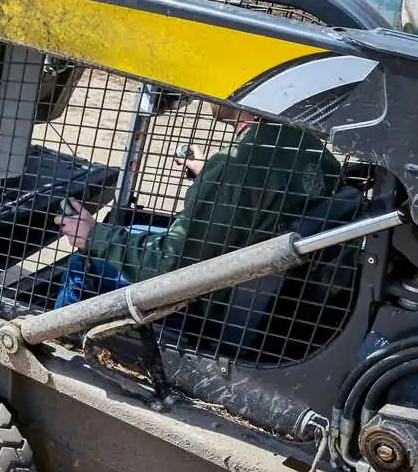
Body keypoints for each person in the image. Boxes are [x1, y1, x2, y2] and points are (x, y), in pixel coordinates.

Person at [52, 104, 342, 315]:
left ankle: (58, 339)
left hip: (215, 299)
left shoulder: (234, 166)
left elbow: (170, 265)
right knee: (133, 231)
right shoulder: (303, 141)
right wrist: (207, 174)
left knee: (84, 261)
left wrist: (93, 236)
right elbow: (265, 201)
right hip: (270, 287)